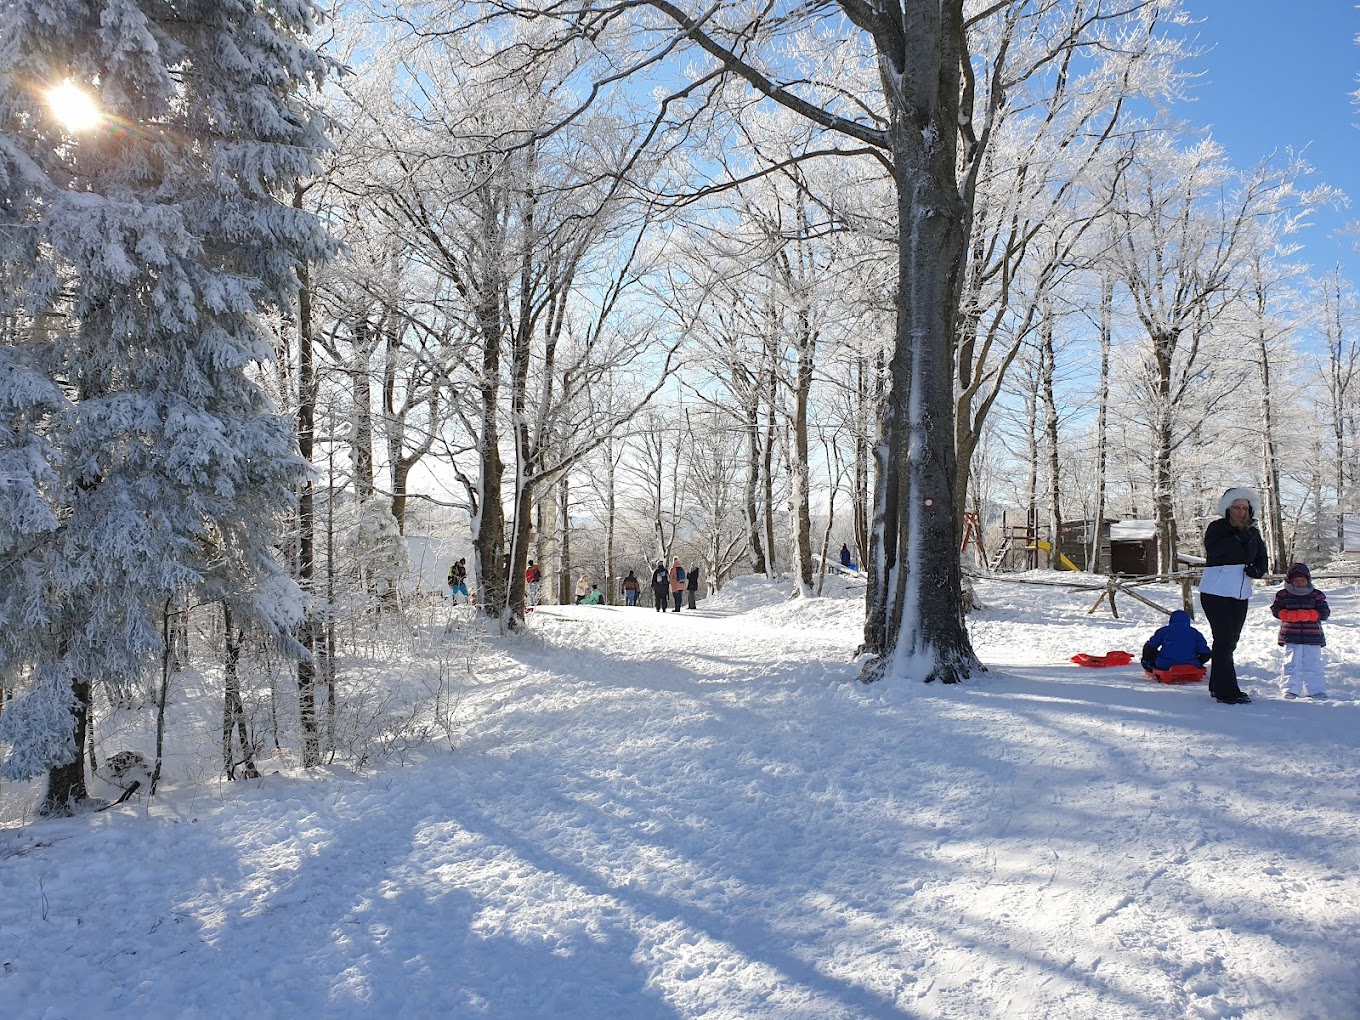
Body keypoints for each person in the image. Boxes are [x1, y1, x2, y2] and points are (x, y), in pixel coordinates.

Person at [1199, 487, 1268, 704]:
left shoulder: (1254, 532)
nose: (1241, 512)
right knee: (1224, 640)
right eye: (1237, 507)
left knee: (1231, 640)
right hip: (1216, 591)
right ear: (1228, 509)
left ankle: (1216, 684)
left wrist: (1257, 570)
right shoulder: (1217, 528)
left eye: (1245, 508)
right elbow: (1214, 550)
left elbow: (1262, 558)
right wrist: (1239, 539)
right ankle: (1227, 691)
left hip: (1240, 592)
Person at [1270, 562, 1330, 700]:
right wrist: (1284, 614)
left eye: (1302, 580)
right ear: (1290, 581)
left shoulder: (1316, 595)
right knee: (1291, 663)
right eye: (1296, 580)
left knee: (1313, 663)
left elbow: (1325, 612)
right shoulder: (1283, 595)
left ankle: (1315, 690)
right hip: (1291, 636)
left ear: (1308, 580)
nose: (1299, 583)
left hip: (1312, 636)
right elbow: (1275, 609)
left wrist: (1311, 615)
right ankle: (1290, 689)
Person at [1140, 609, 1212, 674]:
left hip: (1165, 664)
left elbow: (1150, 647)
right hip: (1192, 664)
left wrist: (1147, 659)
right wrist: (1199, 662)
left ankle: (1150, 665)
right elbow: (1205, 653)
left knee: (1152, 654)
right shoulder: (1195, 633)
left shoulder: (1164, 631)